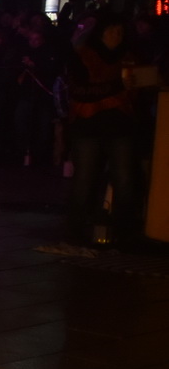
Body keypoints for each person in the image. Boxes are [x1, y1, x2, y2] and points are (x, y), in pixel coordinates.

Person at [64, 12, 138, 244]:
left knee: (124, 178)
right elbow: (79, 90)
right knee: (85, 177)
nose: (116, 36)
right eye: (111, 31)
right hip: (89, 125)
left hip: (119, 126)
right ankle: (76, 229)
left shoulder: (128, 57)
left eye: (120, 32)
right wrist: (116, 88)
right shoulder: (84, 56)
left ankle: (123, 230)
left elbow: (134, 91)